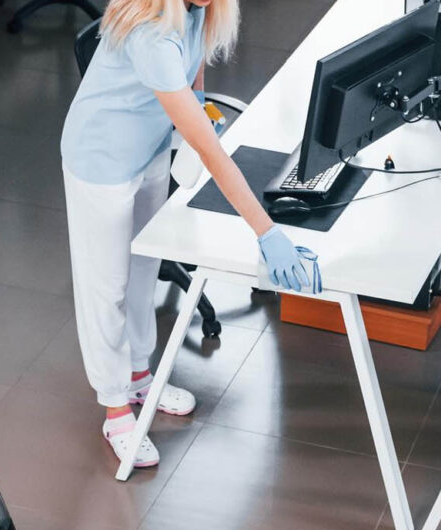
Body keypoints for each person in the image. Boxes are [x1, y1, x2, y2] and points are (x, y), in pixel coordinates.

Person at [60, 0, 312, 468]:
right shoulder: (153, 33)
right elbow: (213, 155)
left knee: (144, 271)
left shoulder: (198, 8)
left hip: (150, 146)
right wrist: (266, 231)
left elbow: (193, 63)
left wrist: (197, 99)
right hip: (101, 160)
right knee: (106, 287)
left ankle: (140, 378)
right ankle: (115, 407)